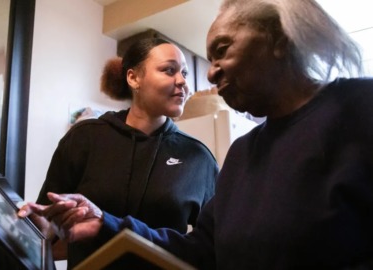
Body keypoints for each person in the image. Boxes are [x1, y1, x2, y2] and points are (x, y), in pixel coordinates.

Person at [19, 0, 373, 268]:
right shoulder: (242, 154)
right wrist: (105, 223)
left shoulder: (360, 109)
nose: (210, 75)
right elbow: (202, 249)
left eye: (221, 52)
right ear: (134, 78)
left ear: (278, 38)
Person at [31, 37, 218, 268]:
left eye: (185, 73)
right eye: (169, 70)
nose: (181, 81)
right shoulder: (84, 138)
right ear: (133, 78)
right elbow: (45, 225)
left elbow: (211, 248)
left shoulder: (198, 158)